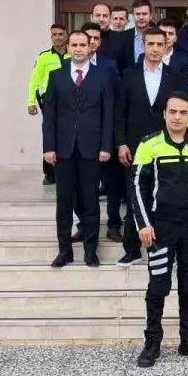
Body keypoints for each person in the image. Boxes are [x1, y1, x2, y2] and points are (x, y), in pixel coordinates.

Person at [131, 93, 188, 368]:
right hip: (161, 227)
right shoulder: (149, 144)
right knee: (158, 287)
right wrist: (143, 224)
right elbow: (136, 187)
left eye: (183, 112)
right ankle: (152, 342)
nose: (178, 117)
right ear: (165, 114)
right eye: (173, 112)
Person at [42, 30, 114, 268]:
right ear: (69, 47)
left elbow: (108, 115)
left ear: (91, 47)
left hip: (92, 149)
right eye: (74, 44)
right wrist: (48, 147)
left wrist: (106, 146)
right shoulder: (56, 76)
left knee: (90, 201)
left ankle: (91, 250)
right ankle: (64, 251)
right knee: (63, 202)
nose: (78, 48)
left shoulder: (103, 76)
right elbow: (49, 115)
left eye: (83, 44)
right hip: (62, 150)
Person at [115, 27, 180, 265]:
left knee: (163, 198)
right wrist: (121, 143)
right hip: (134, 146)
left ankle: (162, 249)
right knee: (136, 197)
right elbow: (119, 113)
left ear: (166, 47)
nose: (154, 49)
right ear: (143, 46)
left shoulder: (174, 76)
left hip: (165, 146)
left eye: (159, 45)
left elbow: (178, 113)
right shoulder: (128, 75)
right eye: (150, 44)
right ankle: (131, 249)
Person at [82, 22, 122, 238]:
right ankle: (84, 227)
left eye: (96, 39)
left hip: (106, 136)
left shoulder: (109, 65)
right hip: (81, 137)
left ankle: (113, 225)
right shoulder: (69, 66)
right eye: (89, 38)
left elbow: (115, 102)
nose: (92, 43)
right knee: (84, 187)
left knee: (112, 185)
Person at [27, 23, 69, 185]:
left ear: (66, 35)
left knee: (66, 134)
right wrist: (30, 102)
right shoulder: (44, 57)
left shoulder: (72, 54)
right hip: (48, 101)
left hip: (68, 100)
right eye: (54, 34)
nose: (57, 37)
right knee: (50, 133)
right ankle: (49, 173)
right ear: (50, 36)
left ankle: (63, 171)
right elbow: (34, 80)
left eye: (60, 34)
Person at [112, 0, 154, 72]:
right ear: (133, 16)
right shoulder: (122, 37)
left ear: (151, 15)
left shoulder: (159, 36)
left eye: (144, 14)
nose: (141, 17)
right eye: (137, 14)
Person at [158, 19, 188, 88]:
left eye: (170, 34)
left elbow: (186, 88)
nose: (167, 37)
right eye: (163, 33)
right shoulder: (143, 57)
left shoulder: (185, 60)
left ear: (175, 38)